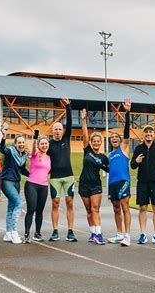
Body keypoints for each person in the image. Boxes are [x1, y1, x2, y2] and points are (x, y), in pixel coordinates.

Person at [48, 98, 77, 242]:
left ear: (63, 130)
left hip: (69, 177)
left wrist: (68, 107)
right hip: (54, 178)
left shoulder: (66, 139)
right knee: (55, 203)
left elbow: (70, 122)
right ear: (52, 131)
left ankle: (70, 231)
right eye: (56, 129)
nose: (58, 131)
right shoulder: (49, 144)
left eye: (60, 129)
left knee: (70, 202)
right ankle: (55, 231)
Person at [79, 108, 109, 244]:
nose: (96, 143)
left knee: (95, 209)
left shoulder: (103, 158)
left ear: (101, 143)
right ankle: (92, 233)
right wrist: (84, 120)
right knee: (88, 210)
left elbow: (110, 169)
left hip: (96, 185)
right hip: (83, 184)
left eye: (98, 141)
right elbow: (84, 134)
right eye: (94, 141)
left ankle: (99, 234)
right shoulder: (87, 151)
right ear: (91, 142)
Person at [0, 122, 29, 244]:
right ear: (15, 144)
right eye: (19, 142)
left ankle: (7, 233)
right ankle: (14, 232)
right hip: (7, 181)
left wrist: (35, 175)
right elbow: (2, 149)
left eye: (23, 142)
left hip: (16, 183)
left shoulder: (23, 156)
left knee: (11, 208)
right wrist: (4, 136)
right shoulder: (10, 152)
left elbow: (22, 170)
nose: (21, 144)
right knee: (18, 204)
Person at [107, 99, 132, 247]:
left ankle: (127, 236)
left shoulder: (124, 148)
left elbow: (127, 132)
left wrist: (127, 112)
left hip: (123, 181)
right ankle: (119, 234)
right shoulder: (110, 154)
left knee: (125, 208)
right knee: (116, 209)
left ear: (121, 140)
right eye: (112, 138)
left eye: (116, 138)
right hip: (112, 183)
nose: (114, 139)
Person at [24, 131, 51, 243]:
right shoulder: (34, 154)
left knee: (40, 211)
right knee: (31, 209)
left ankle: (37, 233)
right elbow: (33, 148)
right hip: (32, 185)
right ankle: (26, 234)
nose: (44, 146)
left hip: (44, 186)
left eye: (46, 144)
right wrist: (35, 139)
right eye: (42, 144)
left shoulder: (49, 157)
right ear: (39, 145)